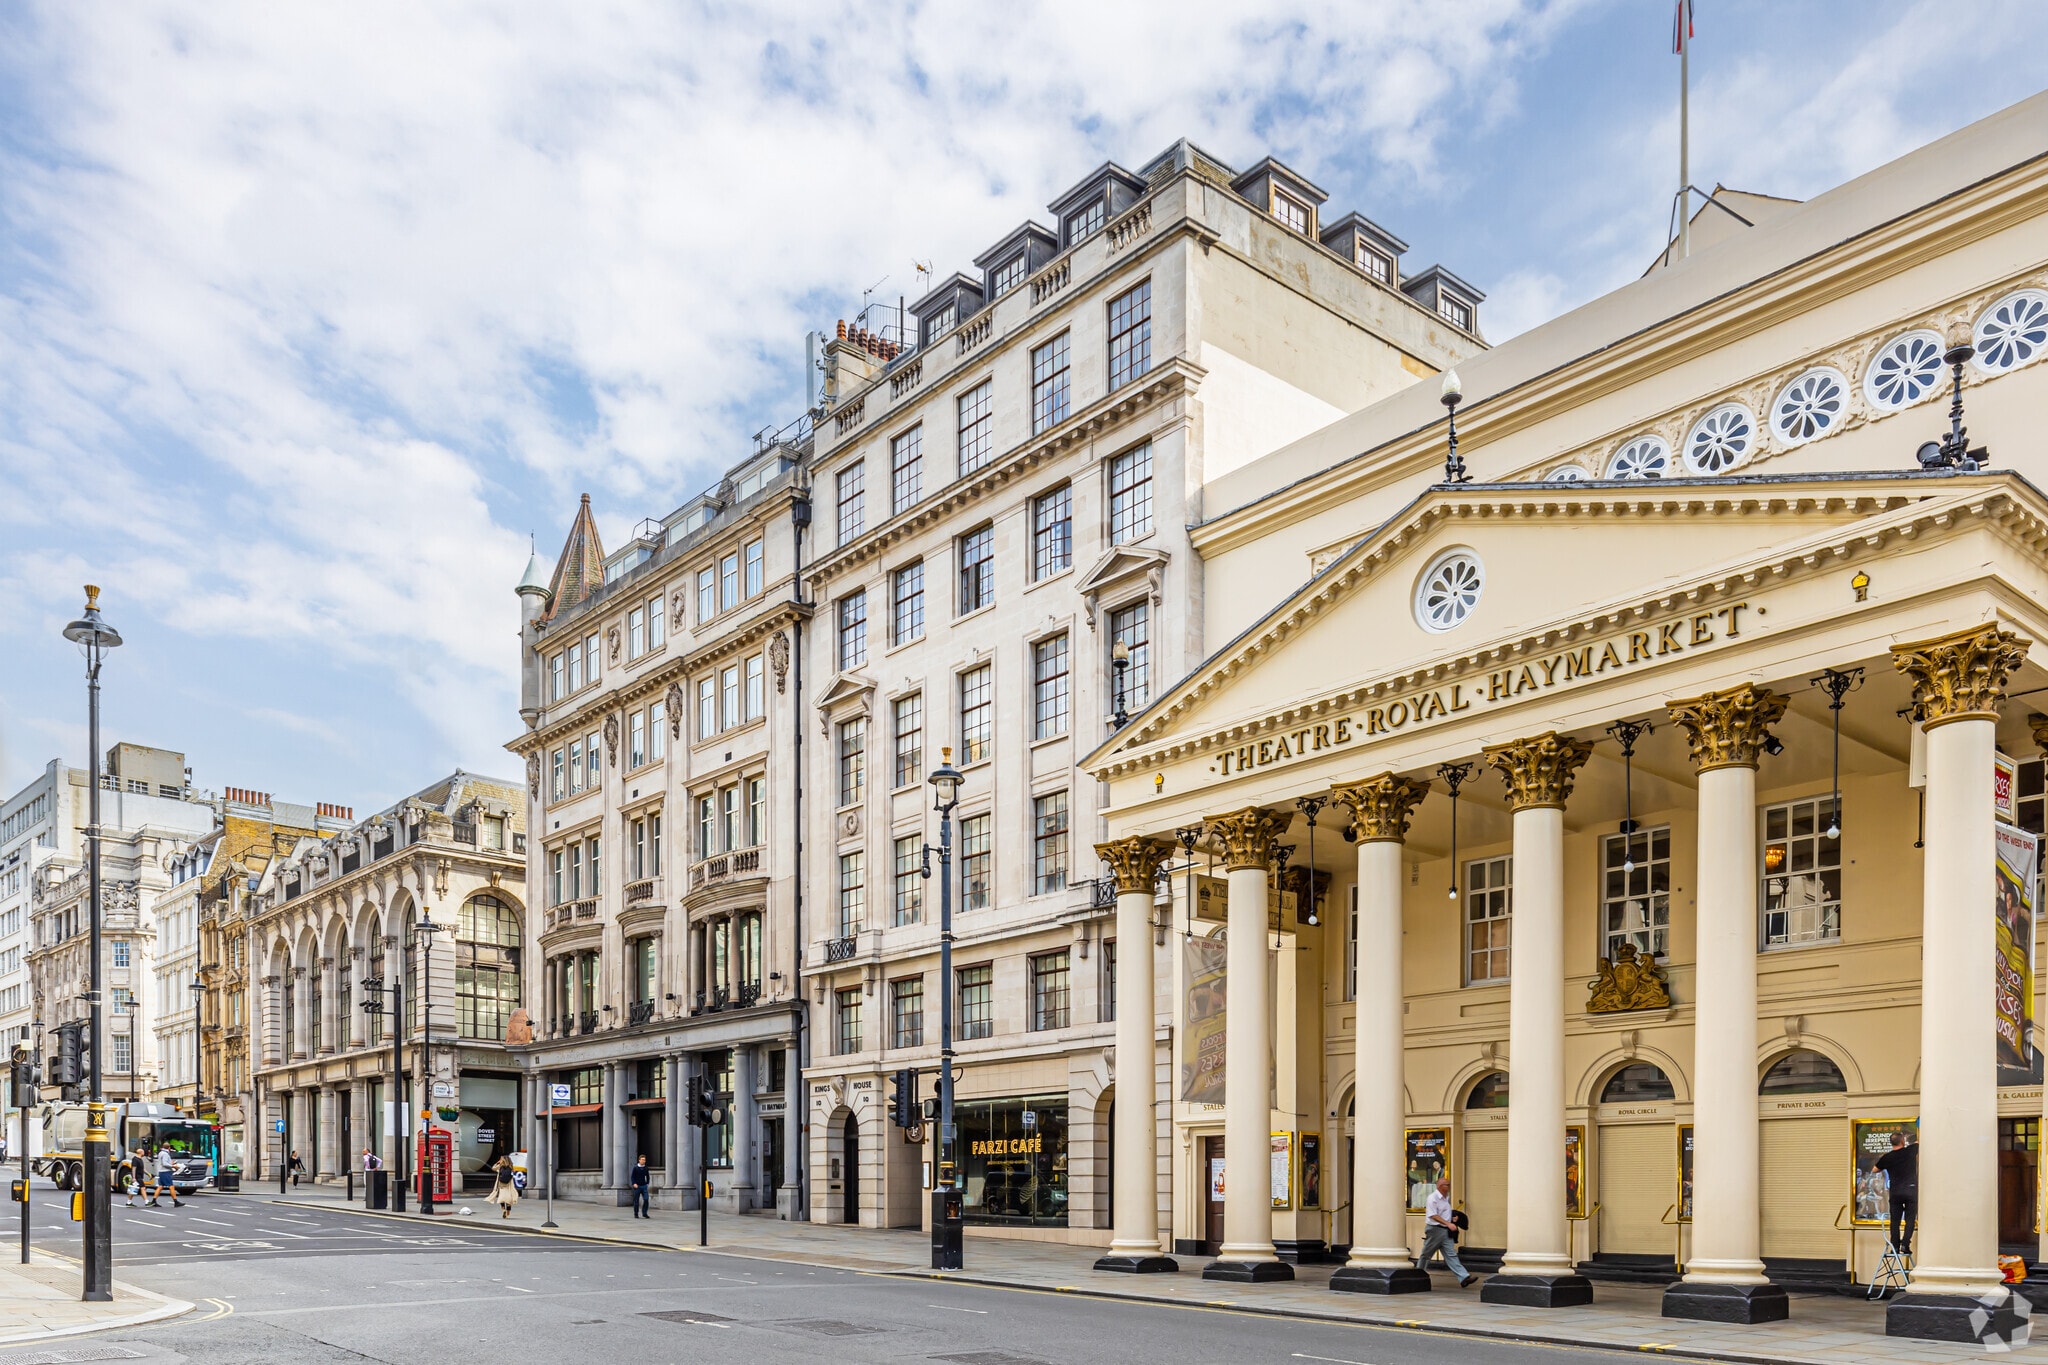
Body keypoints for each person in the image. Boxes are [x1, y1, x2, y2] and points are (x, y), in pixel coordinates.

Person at [1419, 1177, 1477, 1287]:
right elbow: (1433, 1215)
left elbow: (1443, 1212)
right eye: (1447, 1185)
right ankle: (1418, 1275)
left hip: (1445, 1231)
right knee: (1426, 1254)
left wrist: (1452, 1218)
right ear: (1440, 1186)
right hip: (1435, 1230)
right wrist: (1448, 1223)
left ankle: (1464, 1277)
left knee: (1451, 1254)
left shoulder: (1446, 1197)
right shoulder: (1433, 1198)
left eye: (1449, 1184)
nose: (1449, 1187)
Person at [1875, 1130, 1918, 1257]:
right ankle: (1905, 1244)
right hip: (1910, 1190)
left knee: (1895, 1221)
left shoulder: (1887, 1157)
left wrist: (1887, 1165)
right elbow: (1919, 1142)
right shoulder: (1910, 1151)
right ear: (1902, 1141)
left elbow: (1875, 1169)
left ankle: (1894, 1246)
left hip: (1895, 1192)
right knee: (1910, 1219)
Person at [151, 1143, 185, 1207]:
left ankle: (154, 1201)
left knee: (160, 1186)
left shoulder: (161, 1153)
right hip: (165, 1172)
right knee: (171, 1186)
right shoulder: (165, 1154)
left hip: (161, 1171)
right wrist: (173, 1166)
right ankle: (176, 1202)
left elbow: (163, 1162)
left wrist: (170, 1163)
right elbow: (164, 1163)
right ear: (169, 1147)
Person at [488, 1155, 519, 1220]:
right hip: (508, 1185)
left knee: (501, 1197)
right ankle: (507, 1214)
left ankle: (503, 1209)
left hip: (501, 1184)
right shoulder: (511, 1167)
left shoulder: (500, 1167)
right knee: (509, 1199)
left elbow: (493, 1168)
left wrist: (498, 1162)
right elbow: (512, 1176)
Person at [629, 1153, 652, 1218]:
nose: (643, 1161)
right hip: (637, 1186)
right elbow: (632, 1177)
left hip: (644, 1186)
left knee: (646, 1199)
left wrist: (647, 1183)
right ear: (639, 1160)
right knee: (636, 1200)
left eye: (644, 1160)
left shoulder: (646, 1168)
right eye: (642, 1159)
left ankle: (644, 1213)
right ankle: (636, 1213)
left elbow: (647, 1176)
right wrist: (634, 1183)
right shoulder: (636, 1168)